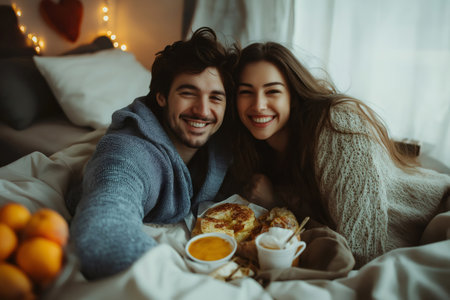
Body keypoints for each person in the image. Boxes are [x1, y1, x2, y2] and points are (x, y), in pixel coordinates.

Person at [230, 42, 450, 267]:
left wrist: (276, 203)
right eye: (246, 92)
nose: (258, 105)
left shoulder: (336, 124)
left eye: (273, 91)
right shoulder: (255, 148)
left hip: (436, 221)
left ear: (293, 96)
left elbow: (361, 250)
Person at [66, 27, 237, 279]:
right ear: (161, 97)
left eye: (215, 98)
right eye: (188, 92)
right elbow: (103, 234)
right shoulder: (129, 154)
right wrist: (179, 283)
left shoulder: (222, 141)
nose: (203, 110)